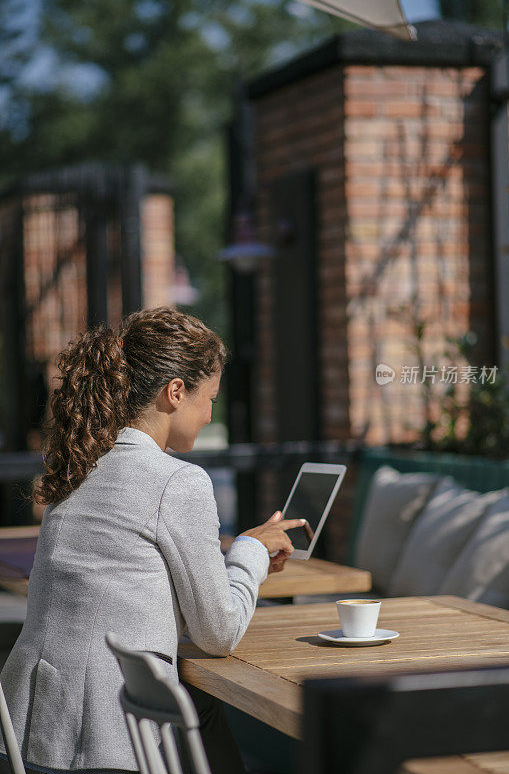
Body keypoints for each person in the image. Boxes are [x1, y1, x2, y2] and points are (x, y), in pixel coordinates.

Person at [0, 307, 305, 774]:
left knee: (202, 711)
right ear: (175, 392)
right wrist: (250, 553)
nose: (208, 416)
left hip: (25, 737)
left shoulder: (81, 466)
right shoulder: (176, 482)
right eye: (211, 399)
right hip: (104, 746)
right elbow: (218, 632)